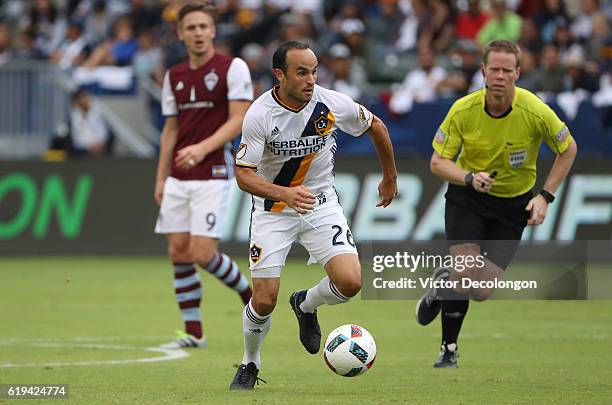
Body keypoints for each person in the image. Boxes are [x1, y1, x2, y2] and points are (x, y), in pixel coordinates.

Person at [229, 41, 398, 389]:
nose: (311, 79)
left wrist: (390, 178)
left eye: (314, 70)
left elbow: (377, 126)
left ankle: (305, 304)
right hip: (274, 210)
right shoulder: (260, 115)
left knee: (351, 282)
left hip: (320, 204)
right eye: (301, 72)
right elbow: (244, 174)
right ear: (280, 75)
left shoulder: (330, 103)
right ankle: (249, 363)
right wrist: (285, 193)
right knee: (263, 300)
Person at [416, 40, 578, 368]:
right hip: (468, 198)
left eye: (507, 70)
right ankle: (449, 350)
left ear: (518, 72)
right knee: (465, 274)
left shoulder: (534, 110)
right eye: (494, 69)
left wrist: (545, 196)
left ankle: (441, 284)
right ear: (483, 71)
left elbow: (568, 149)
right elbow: (437, 162)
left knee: (481, 290)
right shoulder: (463, 109)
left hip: (513, 205)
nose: (500, 75)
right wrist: (468, 177)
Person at [154, 1, 254, 349]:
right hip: (179, 176)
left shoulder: (233, 68)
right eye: (191, 28)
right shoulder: (174, 75)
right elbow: (170, 129)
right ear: (180, 33)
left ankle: (248, 292)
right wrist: (161, 177)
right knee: (178, 251)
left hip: (213, 171)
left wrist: (202, 147)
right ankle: (193, 332)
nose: (198, 33)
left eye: (203, 27)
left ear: (213, 30)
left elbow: (239, 118)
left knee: (201, 252)